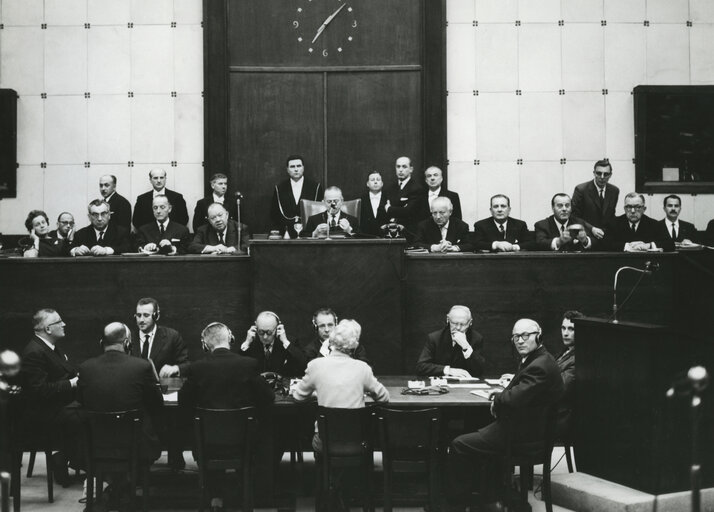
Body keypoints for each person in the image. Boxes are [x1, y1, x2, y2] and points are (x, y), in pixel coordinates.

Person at [447, 319, 564, 510]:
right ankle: (489, 498)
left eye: (525, 335)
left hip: (521, 437)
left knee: (459, 444)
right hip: (526, 430)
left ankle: (456, 504)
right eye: (516, 336)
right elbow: (518, 395)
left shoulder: (539, 366)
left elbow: (513, 400)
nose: (520, 340)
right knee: (475, 431)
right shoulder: (540, 359)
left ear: (538, 335)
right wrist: (501, 396)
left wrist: (498, 399)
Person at [179, 322, 275, 512]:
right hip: (244, 442)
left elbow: (183, 402)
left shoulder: (197, 368)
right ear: (230, 339)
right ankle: (247, 492)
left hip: (207, 444)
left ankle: (215, 494)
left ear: (205, 344)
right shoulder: (248, 364)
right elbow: (268, 398)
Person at [292, 319, 389, 449]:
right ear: (354, 345)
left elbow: (298, 397)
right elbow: (384, 397)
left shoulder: (315, 365)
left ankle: (323, 468)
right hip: (357, 441)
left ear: (330, 342)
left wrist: (317, 394)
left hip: (325, 442)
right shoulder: (363, 368)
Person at [78, 322, 163, 462]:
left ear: (101, 343)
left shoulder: (85, 368)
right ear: (127, 343)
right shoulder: (141, 366)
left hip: (96, 443)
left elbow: (80, 400)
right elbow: (155, 402)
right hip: (136, 444)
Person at [20, 309, 81, 487]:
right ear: (48, 329)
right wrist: (73, 383)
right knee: (86, 418)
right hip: (43, 414)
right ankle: (64, 459)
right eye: (59, 322)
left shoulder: (50, 348)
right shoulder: (34, 352)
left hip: (57, 406)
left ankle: (74, 459)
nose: (64, 324)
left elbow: (62, 374)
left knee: (87, 412)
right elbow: (40, 391)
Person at [416, 305, 485, 378]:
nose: (458, 328)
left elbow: (480, 371)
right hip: (440, 386)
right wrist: (449, 370)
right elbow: (421, 367)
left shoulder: (477, 338)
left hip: (465, 386)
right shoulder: (435, 338)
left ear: (470, 322)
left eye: (463, 324)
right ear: (448, 320)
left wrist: (466, 346)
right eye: (454, 323)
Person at [130, 297, 189, 378]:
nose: (141, 320)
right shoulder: (128, 338)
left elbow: (187, 365)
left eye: (146, 315)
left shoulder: (172, 337)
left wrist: (176, 368)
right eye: (138, 315)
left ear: (156, 316)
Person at [239, 311, 307, 377]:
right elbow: (237, 368)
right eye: (261, 332)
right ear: (255, 326)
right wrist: (247, 343)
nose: (265, 337)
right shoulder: (250, 341)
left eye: (269, 332)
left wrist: (285, 342)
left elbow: (303, 365)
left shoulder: (289, 341)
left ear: (278, 328)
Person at [270, 155, 323, 238]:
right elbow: (274, 214)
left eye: (298, 166)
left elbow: (321, 213)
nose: (296, 169)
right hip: (286, 236)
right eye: (292, 166)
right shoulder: (279, 188)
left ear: (303, 168)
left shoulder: (315, 187)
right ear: (287, 169)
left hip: (310, 235)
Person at [604, 192, 674, 252]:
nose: (633, 211)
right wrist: (627, 246)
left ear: (644, 209)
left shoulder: (655, 224)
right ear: (624, 209)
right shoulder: (613, 224)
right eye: (629, 207)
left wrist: (648, 245)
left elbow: (670, 244)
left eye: (637, 207)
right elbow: (604, 244)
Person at [302, 308, 370, 365]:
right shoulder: (309, 350)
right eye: (322, 326)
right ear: (315, 328)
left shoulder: (351, 343)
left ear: (336, 325)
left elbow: (366, 367)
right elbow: (313, 373)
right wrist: (323, 352)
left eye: (330, 325)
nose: (327, 330)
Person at [571, 160, 620, 240]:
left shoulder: (614, 191)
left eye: (606, 174)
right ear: (594, 173)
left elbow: (611, 216)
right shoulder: (581, 190)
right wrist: (591, 229)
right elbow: (573, 217)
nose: (602, 177)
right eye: (599, 173)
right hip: (586, 236)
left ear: (610, 175)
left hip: (605, 237)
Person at [555, 310, 583, 438]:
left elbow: (560, 387)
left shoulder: (579, 358)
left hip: (561, 417)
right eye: (563, 328)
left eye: (571, 329)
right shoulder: (565, 352)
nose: (565, 333)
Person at [383, 156, 425, 240]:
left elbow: (408, 211)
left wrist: (389, 208)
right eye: (398, 166)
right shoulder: (390, 188)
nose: (400, 170)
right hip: (389, 233)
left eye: (404, 166)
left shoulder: (417, 188)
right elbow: (382, 209)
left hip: (408, 233)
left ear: (411, 169)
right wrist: (401, 209)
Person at [358, 171, 390, 237]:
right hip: (366, 238)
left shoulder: (389, 199)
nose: (375, 182)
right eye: (372, 180)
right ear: (367, 184)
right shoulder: (361, 200)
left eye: (378, 180)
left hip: (385, 239)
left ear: (382, 183)